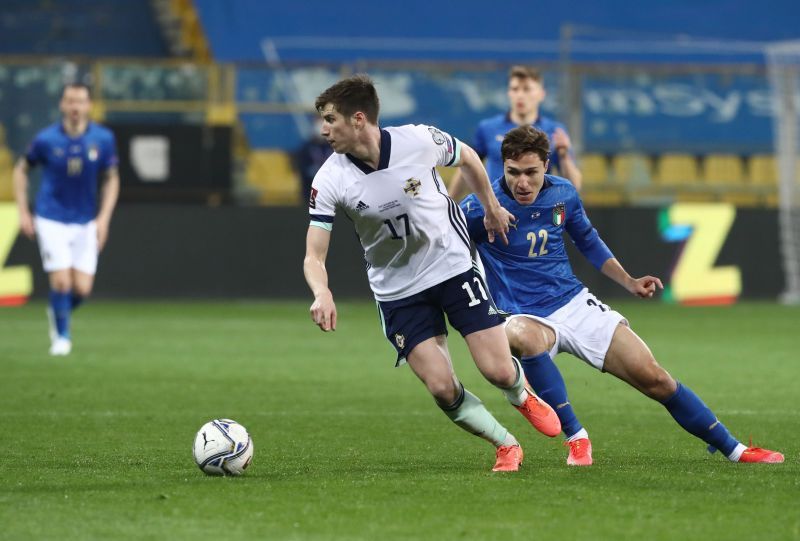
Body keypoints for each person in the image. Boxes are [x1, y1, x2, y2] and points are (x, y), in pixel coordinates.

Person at [460, 125, 784, 466]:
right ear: (502, 167)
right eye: (513, 173)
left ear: (546, 166)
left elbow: (587, 240)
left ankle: (735, 450)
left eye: (531, 173)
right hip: (522, 313)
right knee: (523, 336)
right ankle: (576, 437)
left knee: (655, 378)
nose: (522, 183)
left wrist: (628, 281)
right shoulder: (478, 208)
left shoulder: (563, 196)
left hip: (573, 303)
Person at [303, 75, 560, 472]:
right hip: (397, 289)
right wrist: (322, 292)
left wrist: (491, 207)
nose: (324, 129)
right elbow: (314, 255)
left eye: (330, 119)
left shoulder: (418, 140)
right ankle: (505, 445)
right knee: (441, 387)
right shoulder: (330, 177)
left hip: (452, 264)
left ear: (358, 119)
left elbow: (470, 157)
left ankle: (519, 392)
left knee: (496, 369)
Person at [13, 83, 120, 356]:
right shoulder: (46, 139)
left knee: (81, 289)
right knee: (61, 282)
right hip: (51, 217)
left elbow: (111, 178)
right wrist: (24, 211)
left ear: (89, 105)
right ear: (62, 104)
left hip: (85, 220)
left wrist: (104, 219)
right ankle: (62, 337)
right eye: (70, 101)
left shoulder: (103, 139)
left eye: (80, 101)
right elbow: (21, 170)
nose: (75, 107)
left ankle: (57, 309)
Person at [449, 65, 582, 201]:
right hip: (496, 211)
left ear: (541, 94)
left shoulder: (554, 131)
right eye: (515, 89)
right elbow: (467, 167)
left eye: (527, 89)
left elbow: (574, 186)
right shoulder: (488, 128)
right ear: (508, 93)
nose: (520, 95)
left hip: (535, 213)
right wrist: (449, 204)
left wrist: (564, 156)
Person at [293, 117, 333, 204]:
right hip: (309, 192)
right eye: (318, 123)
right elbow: (301, 167)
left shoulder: (334, 147)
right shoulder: (306, 147)